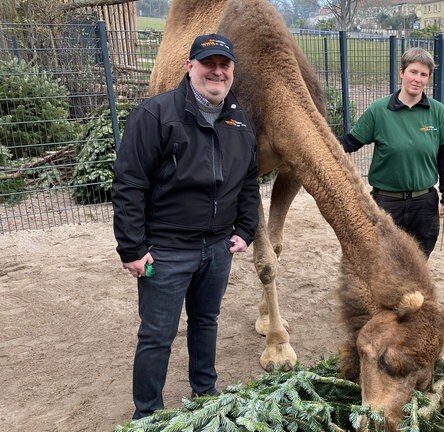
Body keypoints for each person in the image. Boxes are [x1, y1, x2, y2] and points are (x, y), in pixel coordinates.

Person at [111, 33, 261, 420]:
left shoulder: (239, 120)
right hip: (166, 249)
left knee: (206, 323)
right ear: (189, 66)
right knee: (157, 334)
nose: (217, 71)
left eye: (224, 64)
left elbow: (248, 179)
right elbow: (129, 184)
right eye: (208, 63)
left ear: (232, 71)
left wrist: (246, 229)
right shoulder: (156, 115)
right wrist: (132, 248)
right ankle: (147, 414)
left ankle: (205, 394)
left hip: (216, 249)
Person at [337, 47, 444, 258]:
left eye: (423, 74)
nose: (417, 79)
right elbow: (350, 143)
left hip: (424, 204)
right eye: (413, 71)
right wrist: (316, 140)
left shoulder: (438, 112)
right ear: (402, 72)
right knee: (385, 262)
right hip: (386, 204)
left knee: (419, 261)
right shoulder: (378, 111)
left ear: (428, 78)